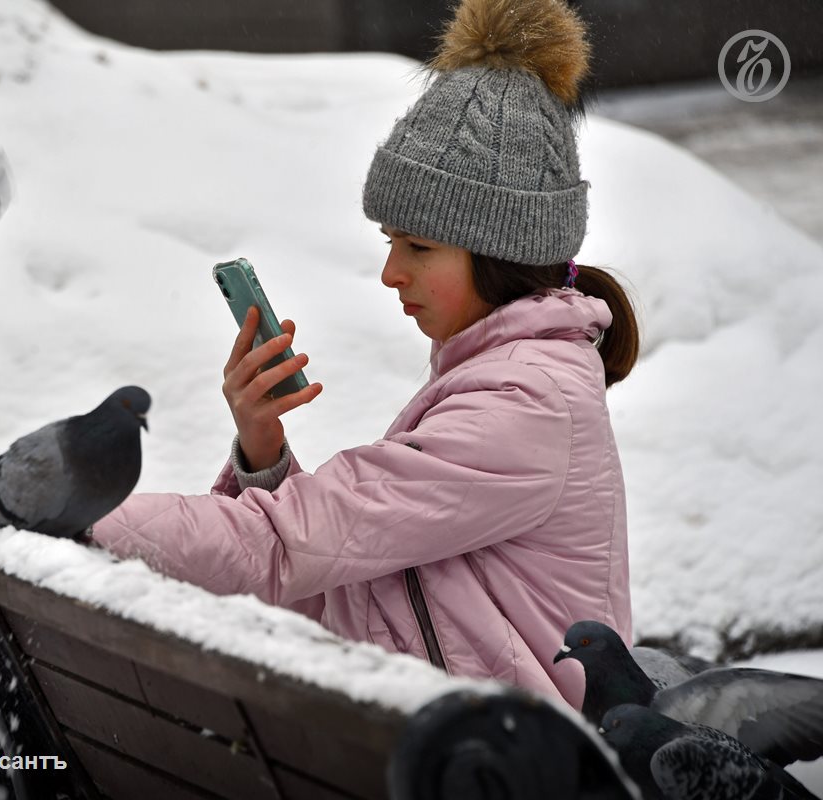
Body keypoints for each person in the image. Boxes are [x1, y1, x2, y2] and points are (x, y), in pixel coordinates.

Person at [92, 0, 636, 708]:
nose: (391, 273)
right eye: (389, 242)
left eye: (419, 246)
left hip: (511, 766)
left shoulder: (524, 406)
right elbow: (348, 585)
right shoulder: (496, 381)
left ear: (502, 253)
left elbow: (286, 547)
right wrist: (265, 456)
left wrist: (62, 515)